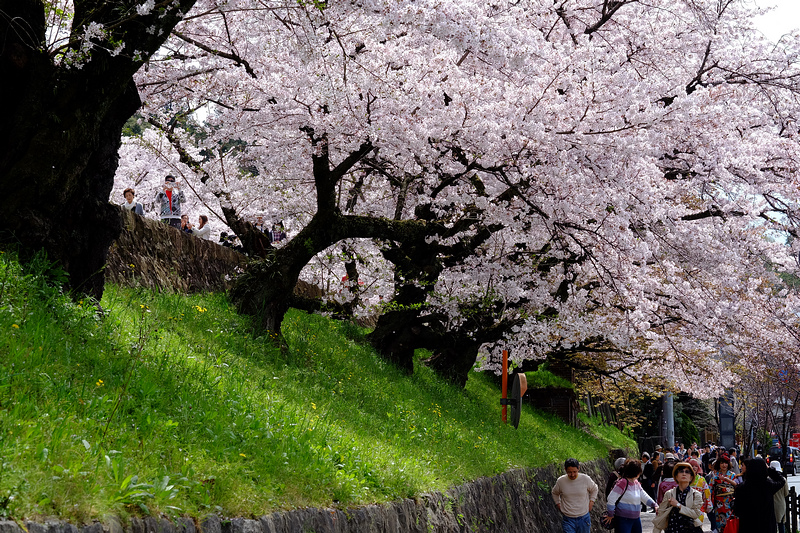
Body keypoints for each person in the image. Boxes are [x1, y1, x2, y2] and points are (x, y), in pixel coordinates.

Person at [733, 457, 785, 533]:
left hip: (748, 526)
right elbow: (781, 480)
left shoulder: (741, 487)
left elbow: (737, 510)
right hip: (767, 526)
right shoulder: (768, 485)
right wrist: (769, 469)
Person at [603, 459, 657, 533]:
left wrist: (654, 505)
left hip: (636, 519)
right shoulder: (623, 482)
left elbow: (643, 495)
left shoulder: (636, 483)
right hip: (623, 520)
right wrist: (610, 514)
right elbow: (611, 499)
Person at [652, 462, 703, 533]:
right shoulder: (669, 494)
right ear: (676, 476)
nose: (684, 474)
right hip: (672, 529)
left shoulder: (696, 494)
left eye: (687, 472)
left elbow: (695, 514)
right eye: (681, 471)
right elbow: (661, 515)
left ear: (691, 477)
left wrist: (678, 505)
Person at [552, 458, 598, 533]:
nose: (572, 475)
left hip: (583, 518)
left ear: (579, 468)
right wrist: (558, 504)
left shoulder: (585, 479)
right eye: (569, 472)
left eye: (574, 472)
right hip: (568, 519)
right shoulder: (561, 481)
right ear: (565, 469)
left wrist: (591, 502)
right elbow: (555, 492)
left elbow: (594, 489)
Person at [708, 454, 736, 533]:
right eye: (722, 463)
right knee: (719, 524)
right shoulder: (714, 476)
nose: (724, 465)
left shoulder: (732, 475)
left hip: (730, 503)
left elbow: (737, 487)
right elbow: (710, 490)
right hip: (718, 504)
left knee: (730, 524)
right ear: (719, 464)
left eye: (726, 463)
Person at [688, 458, 711, 529]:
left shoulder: (702, 479)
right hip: (687, 506)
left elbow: (707, 493)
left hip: (699, 506)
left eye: (696, 466)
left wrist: (708, 505)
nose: (694, 467)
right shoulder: (685, 478)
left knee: (698, 526)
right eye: (692, 465)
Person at [770, 460, 789, 533]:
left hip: (771, 505)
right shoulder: (783, 480)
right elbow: (786, 493)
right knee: (781, 525)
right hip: (781, 504)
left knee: (772, 525)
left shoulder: (768, 480)